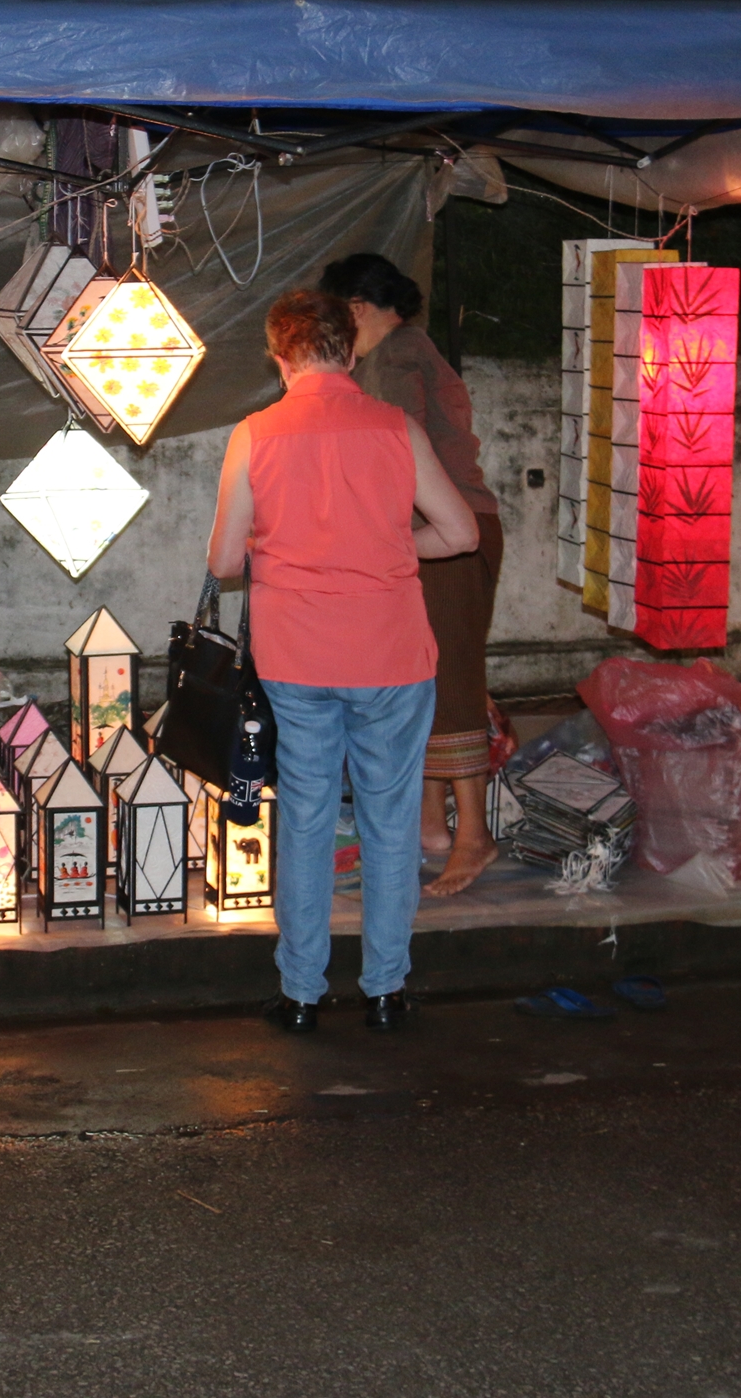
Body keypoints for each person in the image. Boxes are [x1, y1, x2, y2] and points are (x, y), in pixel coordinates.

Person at [207, 292, 479, 1034]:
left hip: (296, 656)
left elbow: (227, 558)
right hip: (391, 656)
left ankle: (301, 994)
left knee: (304, 817)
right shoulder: (396, 428)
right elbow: (459, 534)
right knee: (391, 822)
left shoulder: (254, 434)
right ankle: (386, 991)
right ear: (350, 352)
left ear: (279, 356)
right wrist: (390, 549)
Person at [325, 252, 505, 897]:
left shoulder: (397, 356)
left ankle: (473, 836)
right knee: (420, 673)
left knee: (450, 677)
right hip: (432, 530)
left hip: (445, 535)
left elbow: (392, 448)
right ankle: (431, 825)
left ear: (356, 309)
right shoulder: (402, 350)